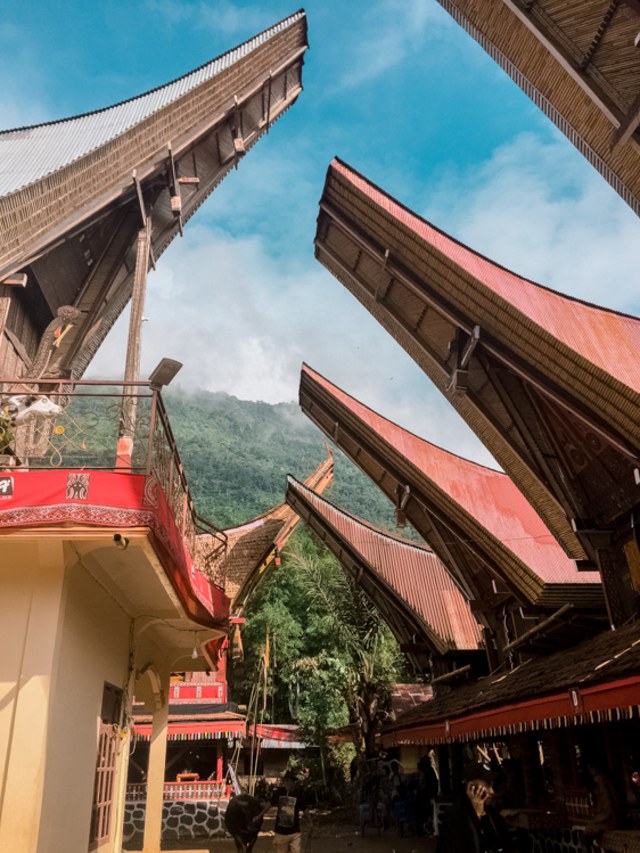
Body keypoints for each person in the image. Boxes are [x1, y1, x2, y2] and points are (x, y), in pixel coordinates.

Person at [436, 762, 515, 853]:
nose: (491, 791)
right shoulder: (455, 815)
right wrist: (476, 816)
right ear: (471, 787)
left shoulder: (490, 812)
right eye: (487, 785)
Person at [273, 780, 304, 853]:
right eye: (288, 781)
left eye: (291, 781)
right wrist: (259, 816)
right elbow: (270, 803)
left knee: (296, 850)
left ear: (294, 783)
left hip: (295, 831)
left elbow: (304, 808)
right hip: (281, 831)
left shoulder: (298, 794)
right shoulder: (279, 792)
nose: (289, 783)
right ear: (285, 782)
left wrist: (310, 822)